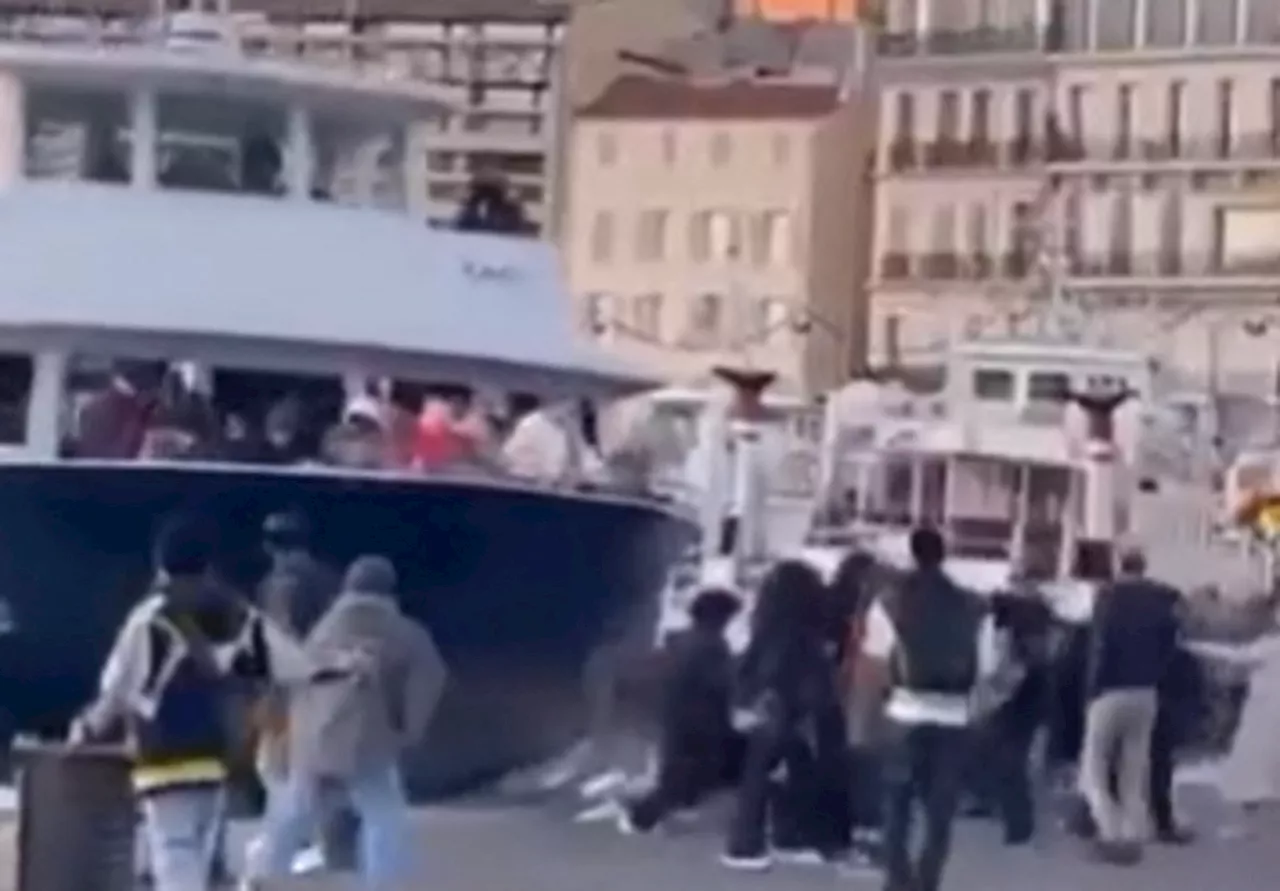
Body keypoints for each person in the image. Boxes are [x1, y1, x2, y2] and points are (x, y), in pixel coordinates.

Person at [71, 516, 313, 891]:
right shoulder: (238, 613)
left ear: (160, 564)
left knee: (175, 855)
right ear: (208, 565)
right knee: (197, 858)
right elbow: (294, 666)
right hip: (216, 757)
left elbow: (117, 687)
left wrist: (86, 729)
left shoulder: (150, 617)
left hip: (162, 756)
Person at [248, 555, 446, 888]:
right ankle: (380, 884)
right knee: (384, 816)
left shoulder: (325, 629)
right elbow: (429, 678)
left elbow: (295, 678)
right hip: (368, 743)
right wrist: (408, 731)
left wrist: (287, 734)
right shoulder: (405, 632)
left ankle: (261, 874)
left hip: (313, 742)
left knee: (294, 814)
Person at [855, 528, 1001, 891]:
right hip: (953, 715)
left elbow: (873, 663)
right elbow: (987, 668)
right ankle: (928, 880)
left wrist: (866, 720)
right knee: (940, 813)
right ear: (944, 554)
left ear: (911, 553)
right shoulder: (973, 606)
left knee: (897, 807)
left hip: (904, 714)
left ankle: (897, 879)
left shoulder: (889, 602)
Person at [723, 560, 846, 870]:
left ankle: (763, 841)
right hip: (782, 711)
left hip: (764, 709)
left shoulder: (766, 623)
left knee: (769, 774)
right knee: (774, 775)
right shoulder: (799, 632)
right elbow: (790, 673)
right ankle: (757, 843)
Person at [1077, 546, 1180, 865]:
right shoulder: (1163, 600)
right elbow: (1171, 646)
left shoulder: (1108, 598)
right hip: (1146, 692)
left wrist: (1090, 692)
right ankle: (1134, 834)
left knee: (1093, 769)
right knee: (1133, 769)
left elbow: (1100, 646)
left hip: (1110, 690)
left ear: (1119, 565)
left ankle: (1111, 834)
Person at [617, 588, 743, 834]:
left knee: (679, 778)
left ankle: (643, 811)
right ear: (720, 617)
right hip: (700, 725)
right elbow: (722, 684)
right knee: (683, 781)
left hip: (676, 719)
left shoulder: (680, 642)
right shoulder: (712, 645)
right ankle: (640, 815)